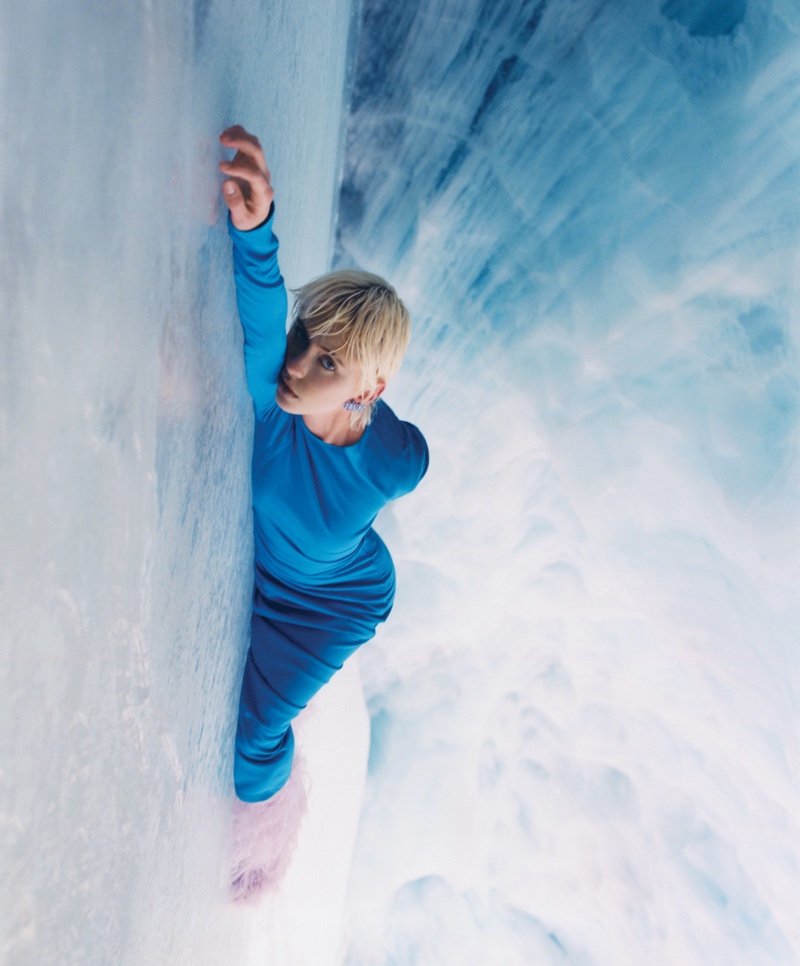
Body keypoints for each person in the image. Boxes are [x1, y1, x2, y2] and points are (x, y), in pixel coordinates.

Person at [218, 126, 429, 901]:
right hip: (289, 568)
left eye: (329, 364)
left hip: (336, 603)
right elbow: (265, 308)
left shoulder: (391, 457)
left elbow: (413, 456)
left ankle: (273, 829)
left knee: (254, 740)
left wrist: (360, 397)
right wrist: (254, 223)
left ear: (368, 393)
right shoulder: (273, 399)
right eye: (309, 340)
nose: (298, 365)